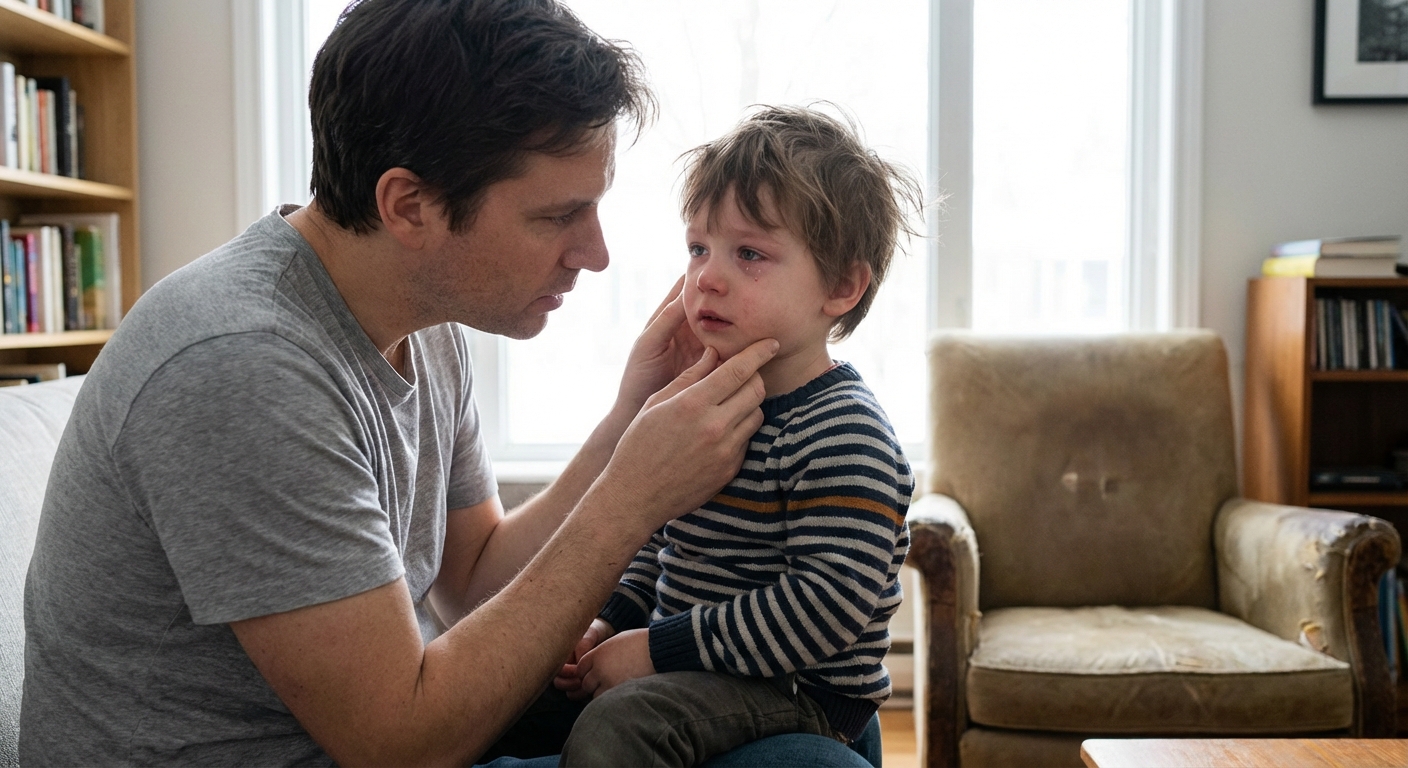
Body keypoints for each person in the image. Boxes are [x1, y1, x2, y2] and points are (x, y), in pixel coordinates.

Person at [17, 1, 796, 765]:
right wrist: (633, 498)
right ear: (409, 205)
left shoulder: (422, 320)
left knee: (797, 727)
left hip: (389, 727)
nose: (594, 254)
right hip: (374, 742)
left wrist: (631, 416)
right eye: (559, 215)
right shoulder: (241, 364)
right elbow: (401, 743)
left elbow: (472, 578)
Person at [551, 105, 924, 766]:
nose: (707, 277)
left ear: (841, 286)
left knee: (617, 728)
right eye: (699, 248)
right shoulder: (708, 406)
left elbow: (822, 608)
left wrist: (654, 649)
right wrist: (612, 618)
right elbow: (662, 538)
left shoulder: (845, 431)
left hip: (796, 690)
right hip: (702, 666)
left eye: (749, 254)